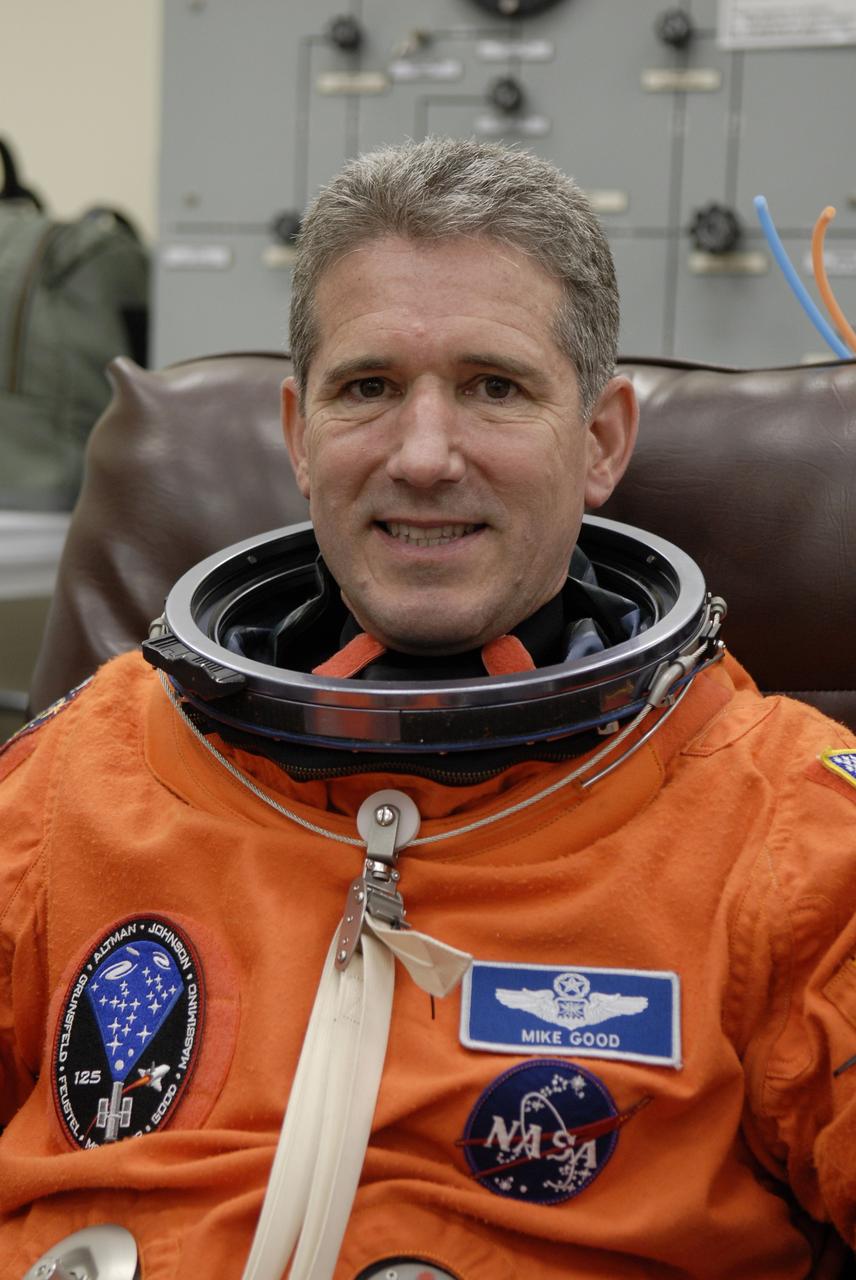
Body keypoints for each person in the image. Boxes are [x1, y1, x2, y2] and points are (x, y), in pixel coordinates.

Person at [1, 136, 856, 1280]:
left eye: (494, 387)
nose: (422, 454)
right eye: (369, 388)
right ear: (301, 435)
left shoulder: (781, 825)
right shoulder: (88, 769)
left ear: (600, 439)